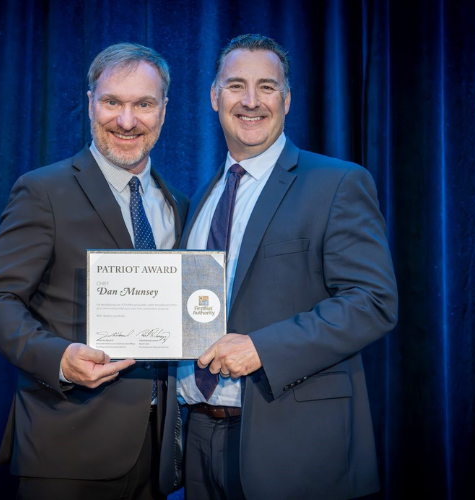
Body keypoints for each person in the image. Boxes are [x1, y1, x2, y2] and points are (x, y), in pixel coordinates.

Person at [160, 34, 399, 499]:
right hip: (200, 440)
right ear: (214, 97)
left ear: (287, 100)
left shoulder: (337, 183)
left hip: (295, 447)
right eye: (236, 86)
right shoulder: (201, 198)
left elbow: (373, 302)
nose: (251, 101)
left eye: (267, 87)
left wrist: (263, 349)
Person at [0, 42, 189, 500]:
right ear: (90, 101)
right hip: (66, 447)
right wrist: (59, 359)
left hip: (158, 456)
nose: (126, 121)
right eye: (112, 102)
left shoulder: (178, 205)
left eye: (143, 104)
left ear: (164, 110)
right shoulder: (43, 190)